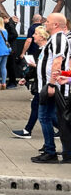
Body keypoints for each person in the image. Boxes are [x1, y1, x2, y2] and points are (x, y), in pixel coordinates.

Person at [32, 13, 69, 163]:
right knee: (50, 117)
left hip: (52, 86)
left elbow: (58, 62)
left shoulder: (59, 39)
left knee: (45, 117)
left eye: (47, 21)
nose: (45, 23)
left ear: (55, 25)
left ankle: (50, 151)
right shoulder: (54, 39)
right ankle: (53, 149)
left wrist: (52, 84)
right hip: (48, 85)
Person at [10, 26, 51, 139]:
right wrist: (27, 78)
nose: (33, 36)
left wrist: (35, 66)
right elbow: (37, 69)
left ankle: (28, 131)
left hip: (45, 85)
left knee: (43, 111)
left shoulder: (47, 50)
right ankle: (28, 130)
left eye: (36, 34)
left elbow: (47, 68)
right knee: (43, 110)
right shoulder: (40, 50)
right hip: (41, 85)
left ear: (42, 36)